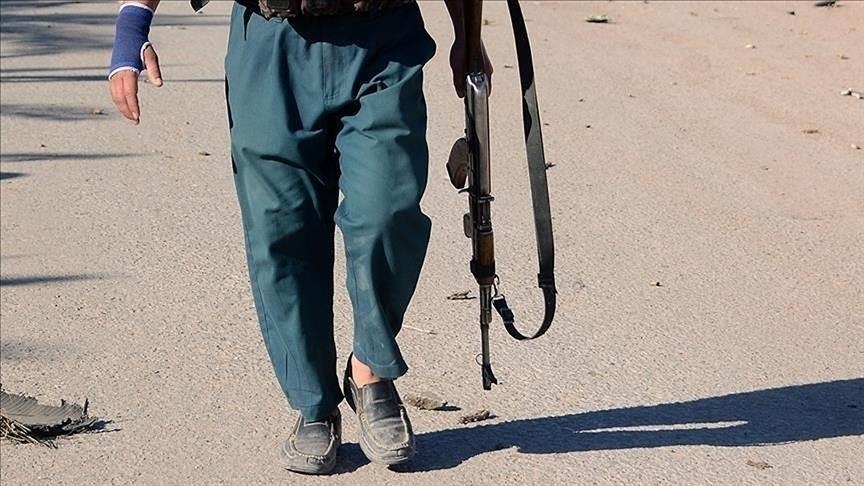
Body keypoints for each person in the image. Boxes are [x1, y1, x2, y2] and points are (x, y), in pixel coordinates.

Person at [108, 0, 492, 475]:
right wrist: (133, 22)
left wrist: (467, 33)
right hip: (272, 41)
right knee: (281, 230)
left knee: (388, 211)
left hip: (383, 37)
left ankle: (370, 371)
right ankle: (314, 403)